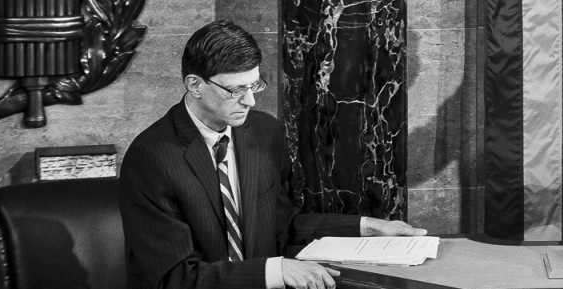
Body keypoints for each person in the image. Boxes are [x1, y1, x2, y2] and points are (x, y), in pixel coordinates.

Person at [120, 20, 426, 289]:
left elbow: (284, 227)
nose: (251, 101)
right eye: (236, 90)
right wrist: (276, 270)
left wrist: (367, 227)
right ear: (195, 85)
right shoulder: (151, 158)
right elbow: (177, 278)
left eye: (254, 85)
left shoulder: (265, 133)